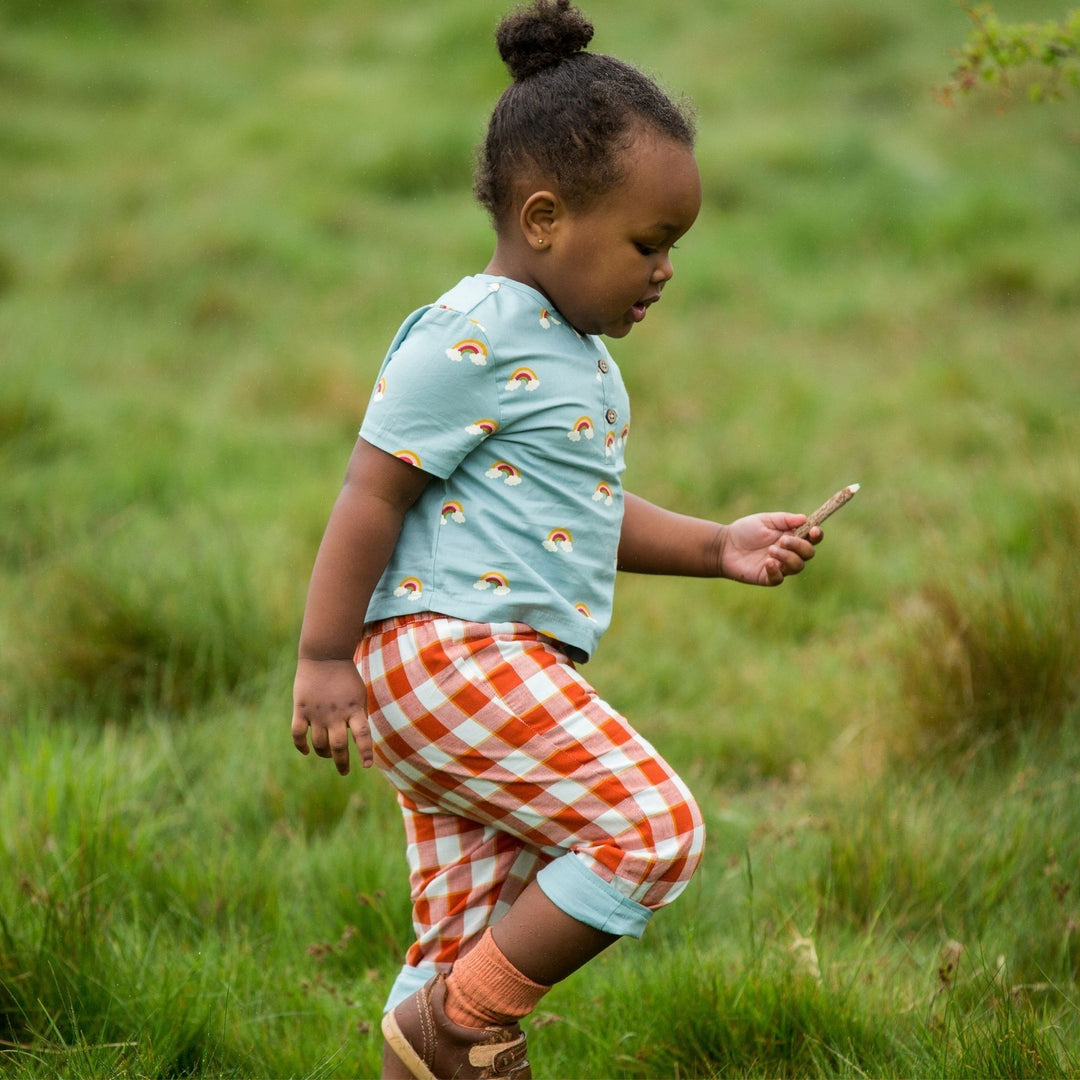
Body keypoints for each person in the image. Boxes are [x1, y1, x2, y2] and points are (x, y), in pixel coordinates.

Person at [291, 2, 822, 1076]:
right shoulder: (474, 330)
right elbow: (367, 494)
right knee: (650, 830)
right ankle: (463, 1023)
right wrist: (320, 656)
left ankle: (433, 1028)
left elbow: (574, 513)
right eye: (648, 243)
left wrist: (718, 544)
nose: (665, 270)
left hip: (479, 665)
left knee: (456, 941)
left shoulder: (574, 353)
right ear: (543, 218)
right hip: (450, 655)